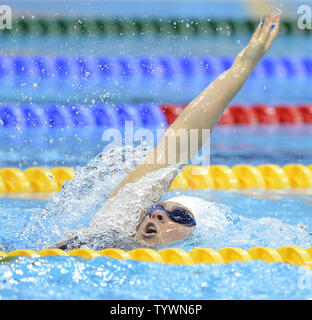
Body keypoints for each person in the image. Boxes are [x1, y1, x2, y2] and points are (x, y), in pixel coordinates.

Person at [52, 12, 280, 251]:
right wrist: (242, 67)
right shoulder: (116, 226)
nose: (159, 215)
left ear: (196, 235)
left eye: (180, 216)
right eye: (157, 207)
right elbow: (179, 144)